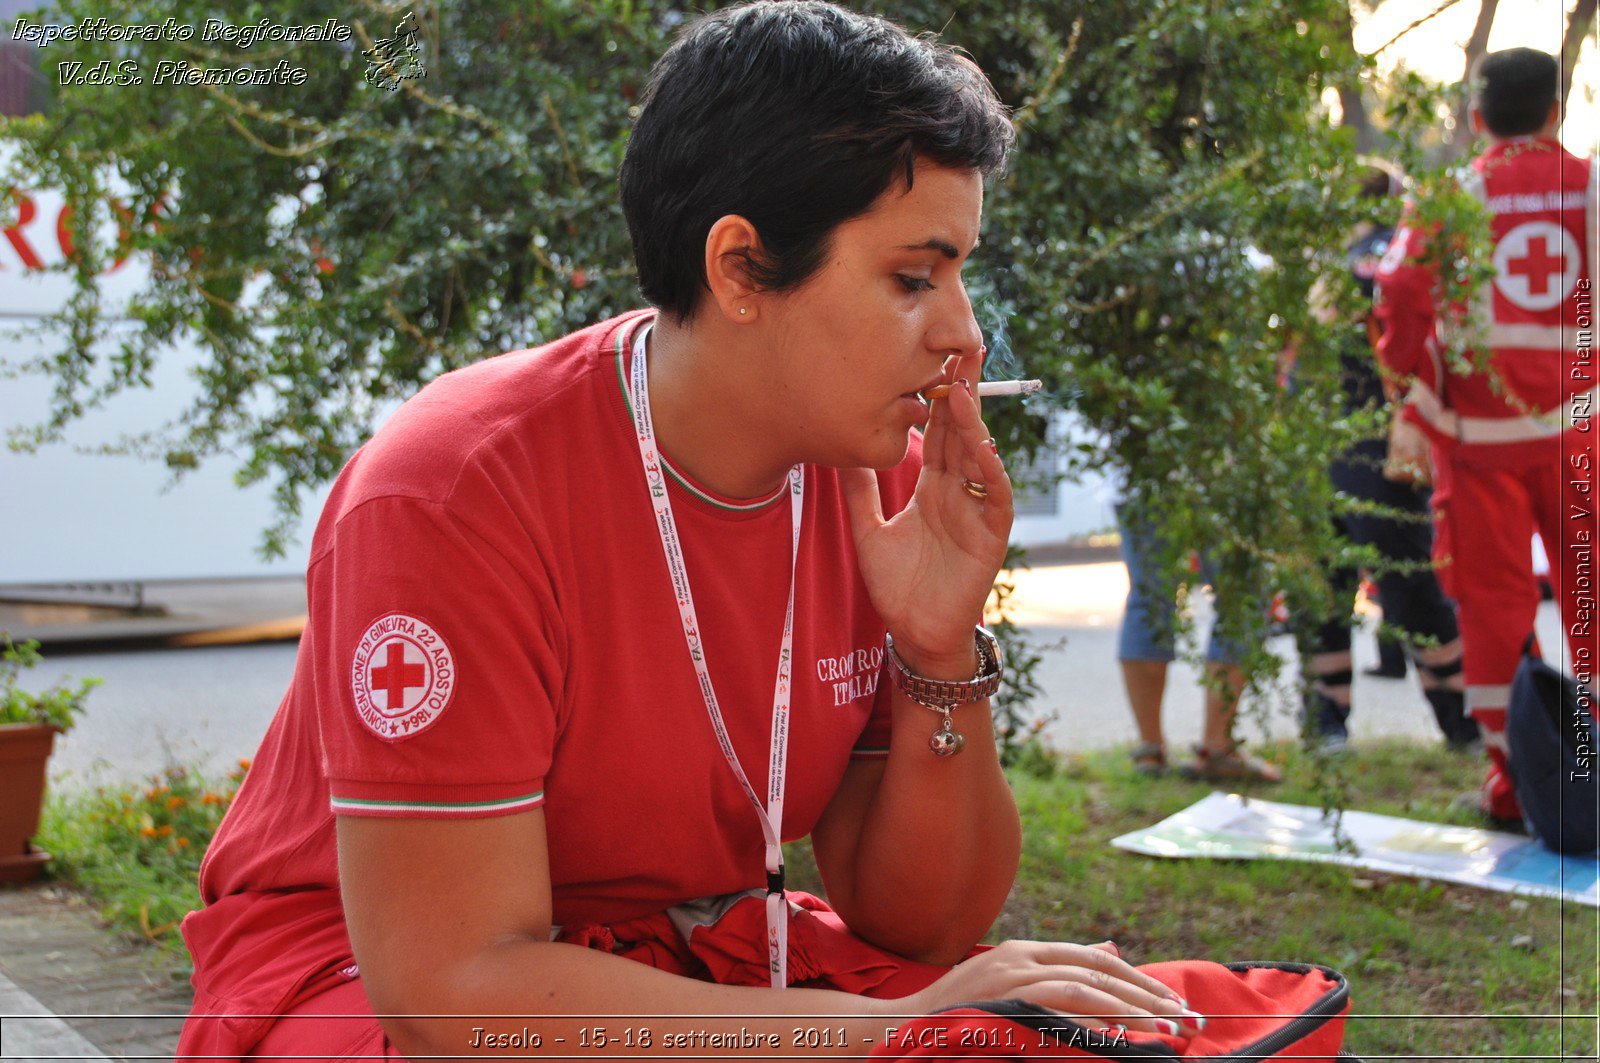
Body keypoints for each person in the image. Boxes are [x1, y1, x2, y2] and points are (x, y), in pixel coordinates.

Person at [174, 4, 1205, 1058]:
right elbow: (451, 991)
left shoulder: (868, 478)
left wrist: (940, 649)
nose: (964, 334)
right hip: (365, 978)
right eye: (912, 277)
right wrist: (873, 1031)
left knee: (1038, 1032)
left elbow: (926, 924)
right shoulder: (453, 493)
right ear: (741, 268)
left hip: (680, 950)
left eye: (959, 273)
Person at [1374, 47, 1596, 825]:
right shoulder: (1595, 188)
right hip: (1582, 436)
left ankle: (1520, 788)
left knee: (1495, 612)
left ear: (1476, 118)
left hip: (1478, 444)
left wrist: (1410, 383)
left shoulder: (1449, 196)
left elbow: (1399, 288)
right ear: (1556, 111)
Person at [1298, 162, 1479, 755]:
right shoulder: (1389, 255)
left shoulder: (1335, 262)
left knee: (1327, 587)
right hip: (1374, 443)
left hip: (1321, 436)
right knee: (1407, 585)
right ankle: (1460, 721)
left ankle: (1327, 723)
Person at [1115, 499, 1281, 781]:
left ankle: (1150, 750)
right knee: (1240, 596)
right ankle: (1216, 750)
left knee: (1150, 598)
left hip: (1141, 475)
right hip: (1223, 474)